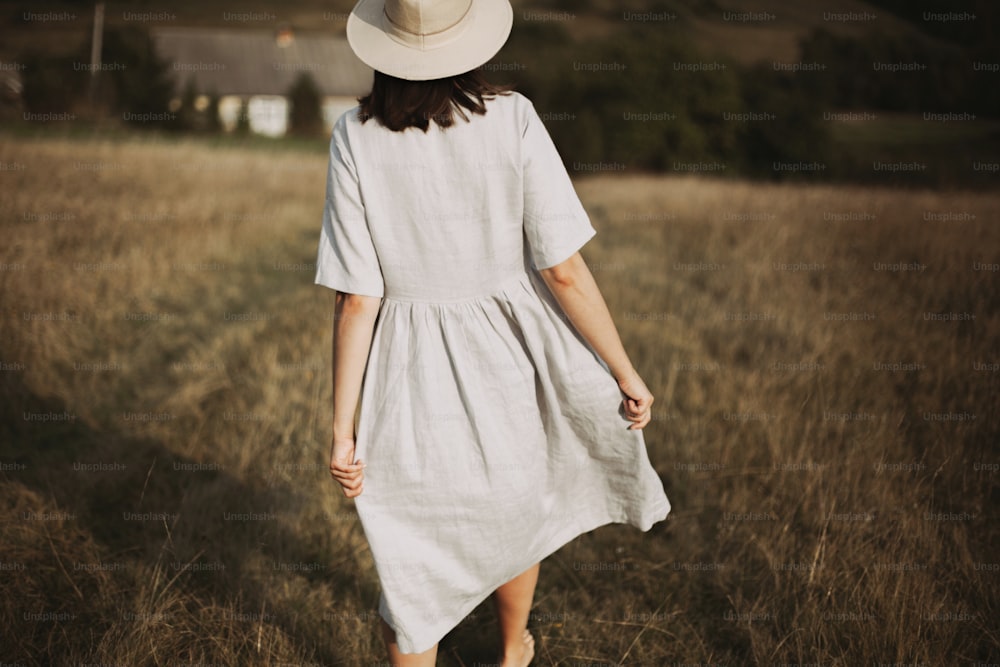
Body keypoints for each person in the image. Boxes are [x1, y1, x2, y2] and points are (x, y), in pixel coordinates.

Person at [316, 0, 671, 665]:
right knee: (516, 512)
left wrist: (343, 430)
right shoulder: (513, 118)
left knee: (414, 564)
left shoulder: (353, 137)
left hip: (407, 375)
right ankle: (512, 652)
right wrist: (624, 371)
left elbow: (358, 298)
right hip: (514, 359)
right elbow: (563, 270)